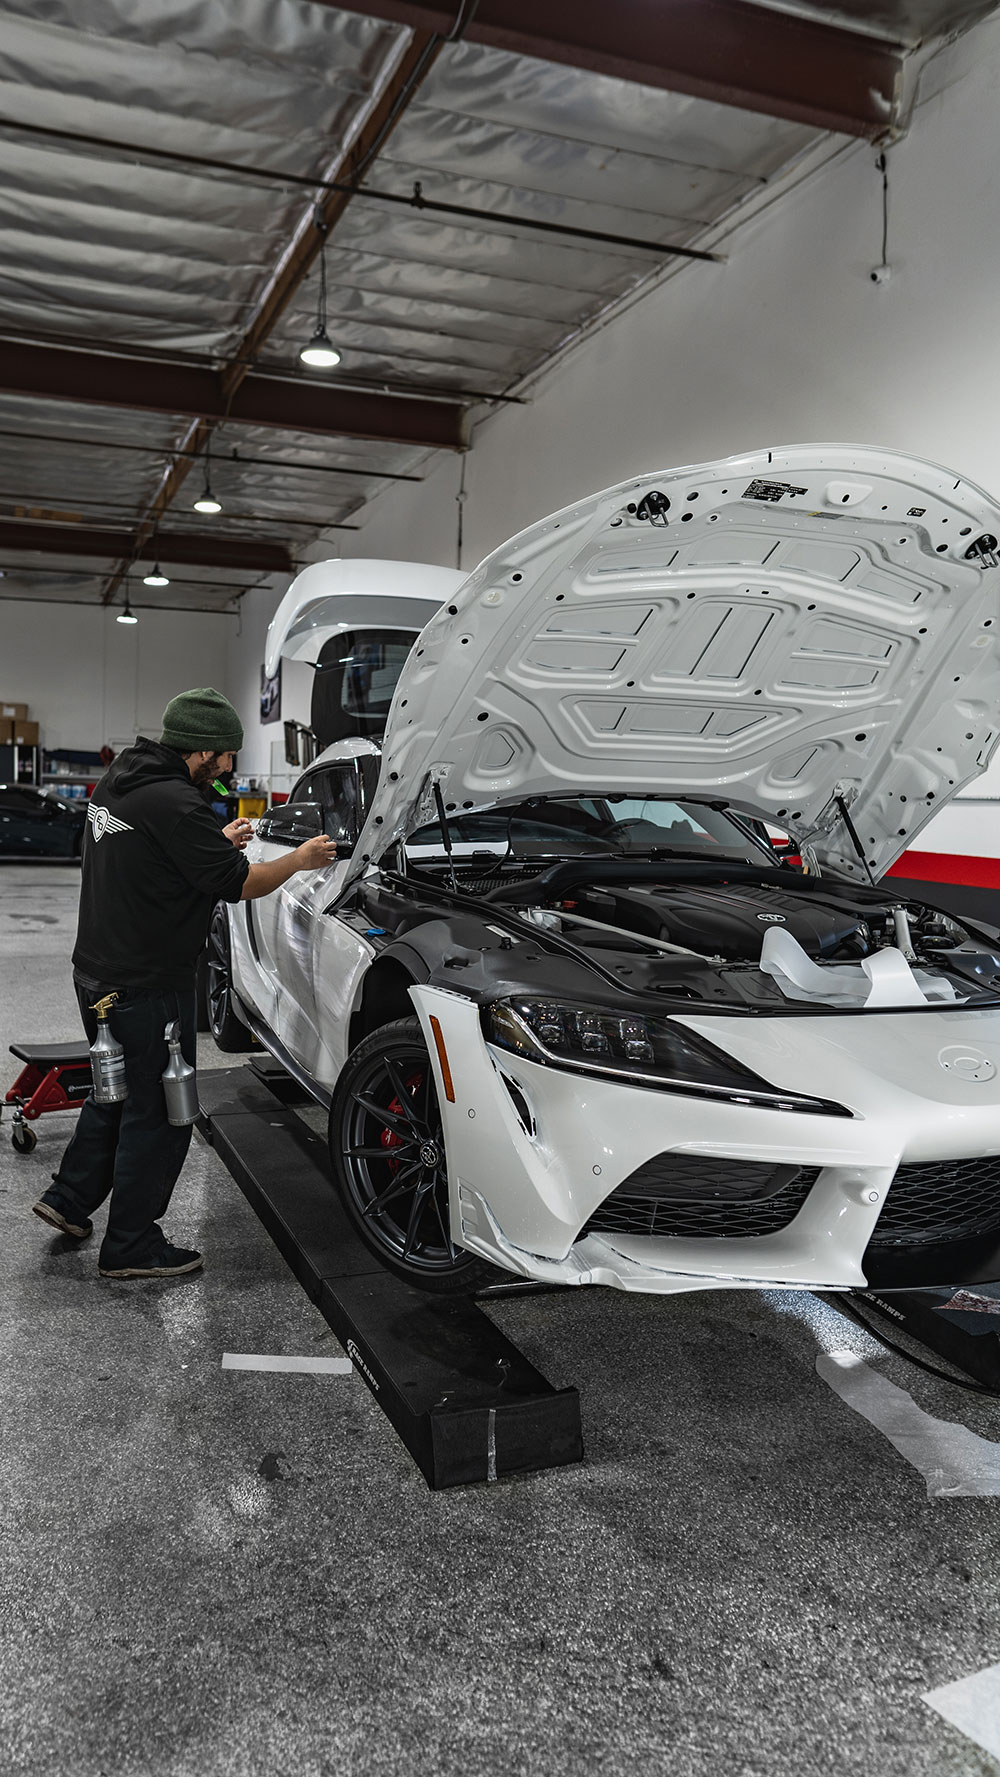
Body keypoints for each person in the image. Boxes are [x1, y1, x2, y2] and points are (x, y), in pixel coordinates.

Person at [30, 687, 337, 1279]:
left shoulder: (122, 781)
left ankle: (68, 1201)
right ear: (201, 750)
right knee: (161, 1110)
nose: (229, 769)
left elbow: (148, 854)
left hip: (96, 974)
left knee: (112, 1091)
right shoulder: (177, 803)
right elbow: (242, 885)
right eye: (224, 757)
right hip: (147, 983)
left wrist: (210, 844)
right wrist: (299, 860)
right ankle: (132, 1246)